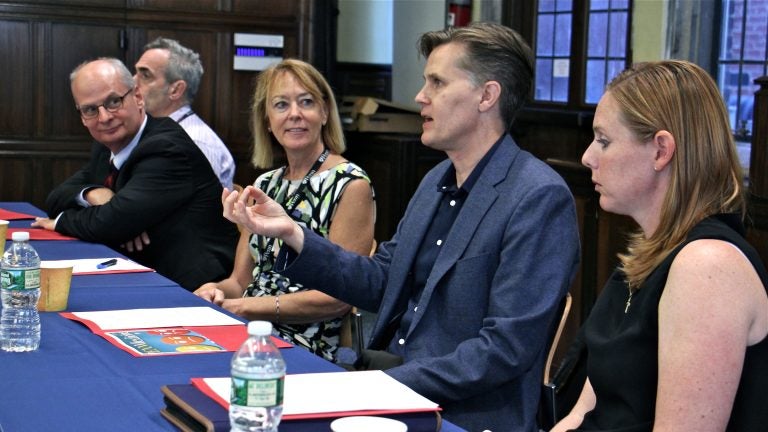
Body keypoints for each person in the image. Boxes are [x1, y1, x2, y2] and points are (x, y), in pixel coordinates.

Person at [222, 23, 580, 431]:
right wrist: (292, 234)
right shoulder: (436, 179)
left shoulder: (537, 197)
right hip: (393, 386)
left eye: (437, 83)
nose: (420, 97)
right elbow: (380, 279)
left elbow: (502, 351)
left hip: (466, 413)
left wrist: (378, 387)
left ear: (487, 95)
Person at [551, 60, 768, 432]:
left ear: (660, 150)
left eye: (604, 140)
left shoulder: (707, 266)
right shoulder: (649, 251)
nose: (588, 156)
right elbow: (580, 414)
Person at [194, 59, 375, 363]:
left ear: (324, 113)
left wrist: (246, 308)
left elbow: (338, 298)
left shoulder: (350, 183)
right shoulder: (265, 183)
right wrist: (213, 291)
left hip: (304, 343)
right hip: (246, 329)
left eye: (306, 102)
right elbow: (239, 282)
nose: (295, 114)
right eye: (281, 105)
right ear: (267, 119)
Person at [32, 58, 239, 291]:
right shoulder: (106, 144)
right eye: (90, 109)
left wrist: (61, 222)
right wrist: (94, 194)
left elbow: (111, 224)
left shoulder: (166, 147)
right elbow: (56, 198)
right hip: (145, 274)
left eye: (113, 102)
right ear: (81, 115)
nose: (104, 117)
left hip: (196, 288)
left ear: (138, 97)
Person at [134, 37, 235, 189]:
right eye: (135, 73)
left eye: (145, 75)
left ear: (175, 90)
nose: (132, 82)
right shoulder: (154, 131)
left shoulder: (196, 143)